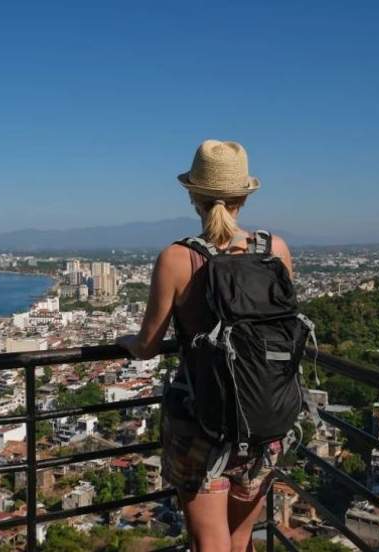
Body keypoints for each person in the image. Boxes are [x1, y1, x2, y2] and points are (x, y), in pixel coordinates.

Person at [117, 139, 294, 552]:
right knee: (241, 537)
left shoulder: (179, 258)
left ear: (193, 195)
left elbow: (147, 345)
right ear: (243, 198)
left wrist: (125, 341)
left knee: (209, 542)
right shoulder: (275, 250)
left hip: (202, 420)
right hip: (266, 416)